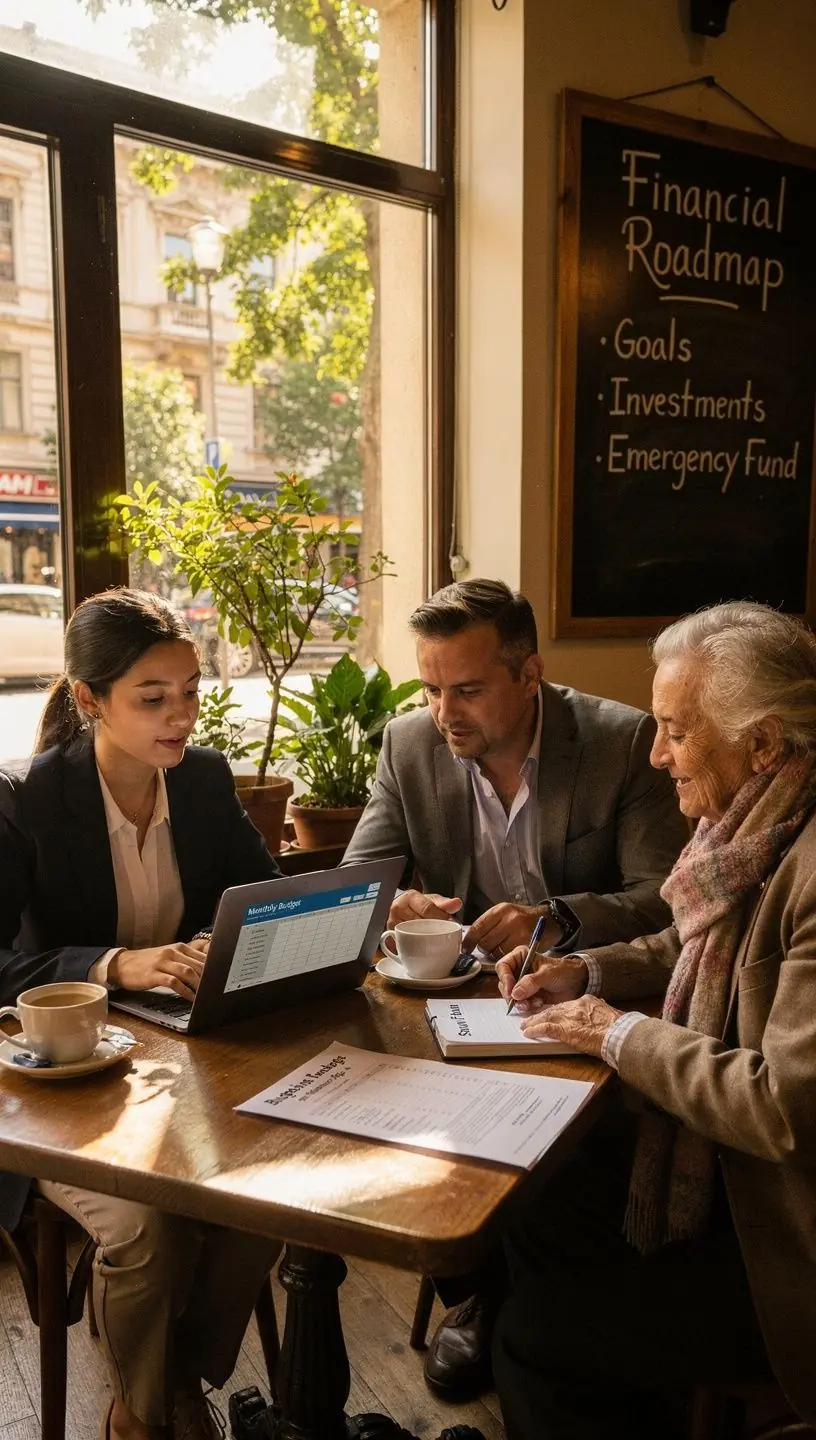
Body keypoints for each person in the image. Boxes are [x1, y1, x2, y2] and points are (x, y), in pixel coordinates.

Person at [343, 578, 688, 1395]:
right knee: (378, 1124)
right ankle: (479, 1293)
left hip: (581, 995)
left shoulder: (621, 740)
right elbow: (360, 875)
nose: (443, 711)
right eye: (430, 688)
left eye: (466, 689)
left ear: (529, 675)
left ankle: (533, 1308)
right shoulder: (409, 747)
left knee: (558, 1150)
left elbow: (668, 892)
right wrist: (397, 900)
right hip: (452, 1004)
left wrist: (557, 916)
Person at [493, 600, 816, 1439]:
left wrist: (612, 1030)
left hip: (784, 1237)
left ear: (765, 742)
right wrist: (583, 971)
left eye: (676, 728)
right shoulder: (756, 822)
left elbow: (782, 1108)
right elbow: (689, 940)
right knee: (534, 1205)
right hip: (720, 1181)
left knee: (533, 1338)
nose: (656, 751)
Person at [0, 588, 283, 1440]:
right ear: (90, 701)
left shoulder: (200, 781)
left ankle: (163, 1389)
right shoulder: (26, 800)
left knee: (269, 1196)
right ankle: (144, 1413)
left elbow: (265, 895)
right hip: (56, 1078)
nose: (181, 717)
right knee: (147, 1223)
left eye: (191, 692)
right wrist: (121, 964)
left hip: (179, 1064)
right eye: (152, 698)